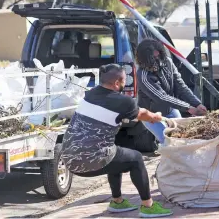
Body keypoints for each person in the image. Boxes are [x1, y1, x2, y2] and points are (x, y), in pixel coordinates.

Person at [61, 63, 173, 218]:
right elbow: (145, 115)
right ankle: (148, 206)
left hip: (69, 160)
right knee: (136, 159)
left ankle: (117, 201)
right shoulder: (124, 102)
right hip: (89, 161)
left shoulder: (90, 94)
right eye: (123, 81)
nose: (125, 84)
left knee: (117, 151)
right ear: (116, 83)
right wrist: (158, 116)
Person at [135, 39, 207, 144]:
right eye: (154, 58)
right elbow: (161, 97)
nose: (158, 59)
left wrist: (197, 103)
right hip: (152, 115)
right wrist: (188, 108)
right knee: (168, 141)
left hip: (171, 110)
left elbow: (180, 86)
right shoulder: (143, 76)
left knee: (183, 138)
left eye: (159, 55)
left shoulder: (167, 62)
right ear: (145, 58)